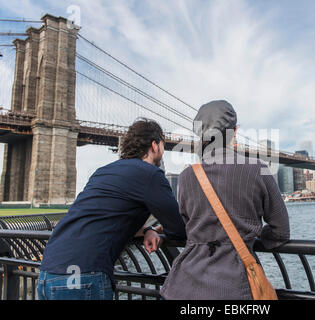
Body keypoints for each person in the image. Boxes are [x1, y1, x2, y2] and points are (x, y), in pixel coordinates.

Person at [37, 118, 186, 300]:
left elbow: (107, 216)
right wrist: (159, 232)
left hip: (47, 272)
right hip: (82, 276)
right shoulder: (151, 174)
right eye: (162, 145)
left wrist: (147, 229)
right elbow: (179, 230)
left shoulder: (103, 171)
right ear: (155, 146)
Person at [160, 100, 290, 300]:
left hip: (185, 286)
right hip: (234, 287)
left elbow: (188, 226)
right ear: (234, 131)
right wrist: (250, 236)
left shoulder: (186, 176)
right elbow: (281, 231)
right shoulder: (258, 169)